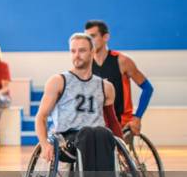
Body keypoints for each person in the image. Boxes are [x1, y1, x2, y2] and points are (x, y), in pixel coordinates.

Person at [35, 33, 123, 162]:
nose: (76, 55)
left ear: (92, 52)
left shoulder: (106, 86)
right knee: (87, 133)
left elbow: (112, 120)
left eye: (81, 50)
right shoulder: (58, 81)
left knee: (104, 133)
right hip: (67, 140)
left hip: (98, 138)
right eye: (73, 51)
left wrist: (122, 149)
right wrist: (44, 145)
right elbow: (41, 117)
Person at [85, 20, 154, 135]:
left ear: (105, 37)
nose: (89, 41)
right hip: (97, 123)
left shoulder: (122, 61)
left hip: (121, 123)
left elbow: (147, 88)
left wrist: (137, 117)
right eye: (87, 37)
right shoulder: (86, 64)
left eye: (93, 36)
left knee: (115, 151)